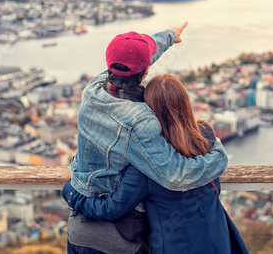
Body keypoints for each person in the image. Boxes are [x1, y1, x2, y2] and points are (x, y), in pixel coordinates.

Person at [66, 23, 230, 253]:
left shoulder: (93, 89)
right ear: (145, 73)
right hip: (118, 231)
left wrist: (170, 36)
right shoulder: (140, 121)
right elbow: (175, 175)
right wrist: (219, 157)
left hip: (79, 221)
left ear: (109, 65)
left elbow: (143, 55)